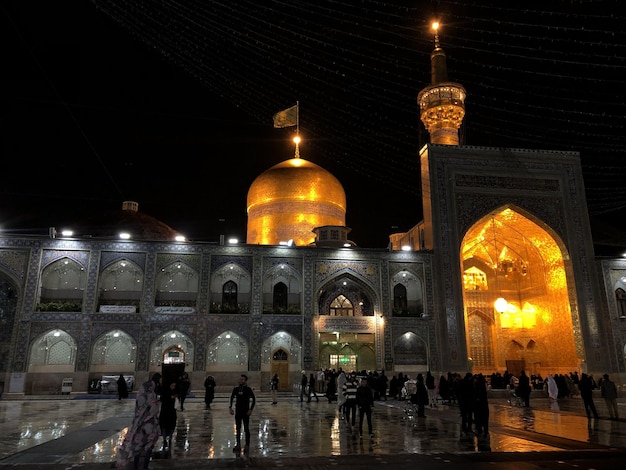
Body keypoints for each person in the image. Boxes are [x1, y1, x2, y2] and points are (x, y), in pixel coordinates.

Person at [115, 373, 161, 470]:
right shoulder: (151, 395)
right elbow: (154, 409)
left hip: (139, 425)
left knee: (138, 448)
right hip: (148, 427)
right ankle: (143, 467)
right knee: (146, 448)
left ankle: (137, 466)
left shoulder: (142, 396)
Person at [229, 374, 256, 452]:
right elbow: (231, 397)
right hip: (238, 411)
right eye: (239, 379)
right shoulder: (236, 389)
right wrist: (230, 407)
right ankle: (238, 445)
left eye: (242, 380)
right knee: (238, 428)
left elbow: (254, 399)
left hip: (245, 411)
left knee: (246, 428)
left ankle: (247, 445)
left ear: (245, 381)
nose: (240, 381)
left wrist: (251, 409)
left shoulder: (248, 389)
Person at [159, 380, 178, 453]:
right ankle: (164, 439)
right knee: (164, 426)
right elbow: (163, 400)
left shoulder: (175, 392)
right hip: (165, 412)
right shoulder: (165, 392)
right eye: (172, 386)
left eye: (174, 386)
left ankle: (170, 438)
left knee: (171, 426)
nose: (173, 387)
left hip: (171, 413)